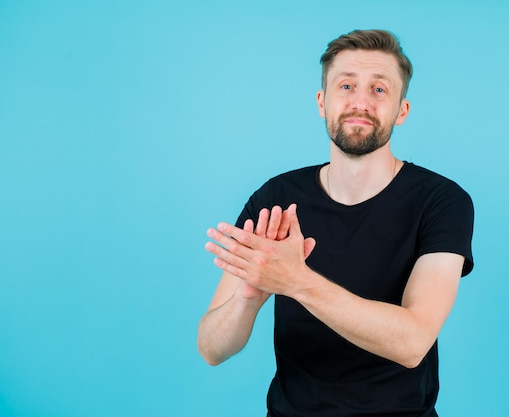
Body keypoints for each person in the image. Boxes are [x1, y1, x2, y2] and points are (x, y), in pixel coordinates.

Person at [198, 29, 474, 417]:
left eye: (379, 90)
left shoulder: (442, 201)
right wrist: (248, 294)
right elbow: (211, 348)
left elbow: (413, 342)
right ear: (322, 102)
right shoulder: (276, 198)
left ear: (401, 110)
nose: (360, 101)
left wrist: (295, 279)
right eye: (346, 86)